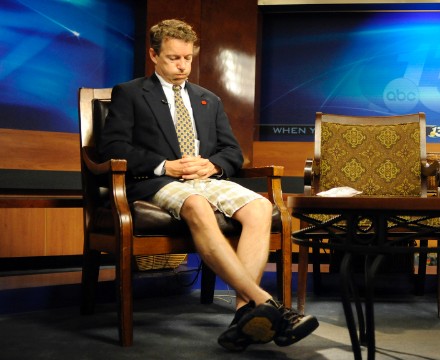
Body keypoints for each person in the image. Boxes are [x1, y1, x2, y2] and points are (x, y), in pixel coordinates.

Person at [99, 19, 318, 352]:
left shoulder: (208, 99)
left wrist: (213, 164)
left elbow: (233, 152)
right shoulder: (129, 93)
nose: (183, 66)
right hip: (158, 181)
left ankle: (244, 317)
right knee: (197, 205)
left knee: (261, 206)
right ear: (153, 55)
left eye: (187, 58)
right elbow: (112, 146)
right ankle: (267, 304)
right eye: (174, 58)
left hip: (205, 177)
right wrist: (164, 164)